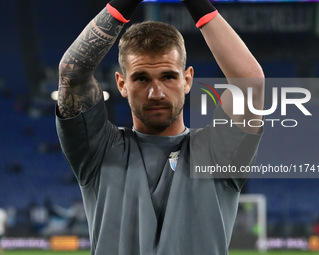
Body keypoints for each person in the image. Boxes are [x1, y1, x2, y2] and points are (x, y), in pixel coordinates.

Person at [56, 0, 265, 254]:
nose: (156, 93)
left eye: (168, 77)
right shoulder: (99, 151)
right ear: (122, 84)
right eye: (141, 78)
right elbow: (72, 72)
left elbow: (250, 83)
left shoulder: (216, 153)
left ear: (187, 80)